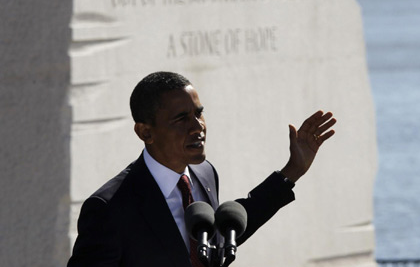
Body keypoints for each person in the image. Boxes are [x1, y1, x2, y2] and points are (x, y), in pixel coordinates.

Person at [67, 71, 336, 267]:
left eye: (199, 113)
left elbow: (224, 233)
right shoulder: (109, 208)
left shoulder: (204, 173)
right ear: (145, 132)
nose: (198, 126)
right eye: (182, 118)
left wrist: (293, 170)